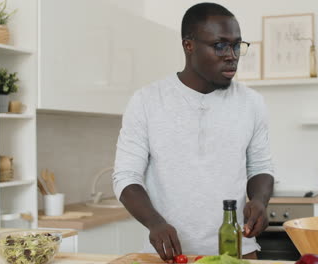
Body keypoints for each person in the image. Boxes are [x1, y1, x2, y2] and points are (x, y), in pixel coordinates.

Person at [112, 2, 275, 262]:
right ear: (189, 45)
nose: (231, 55)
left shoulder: (252, 103)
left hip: (238, 253)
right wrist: (155, 223)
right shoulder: (146, 101)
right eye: (220, 45)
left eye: (237, 45)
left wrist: (259, 201)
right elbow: (126, 177)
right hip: (169, 256)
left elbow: (261, 167)